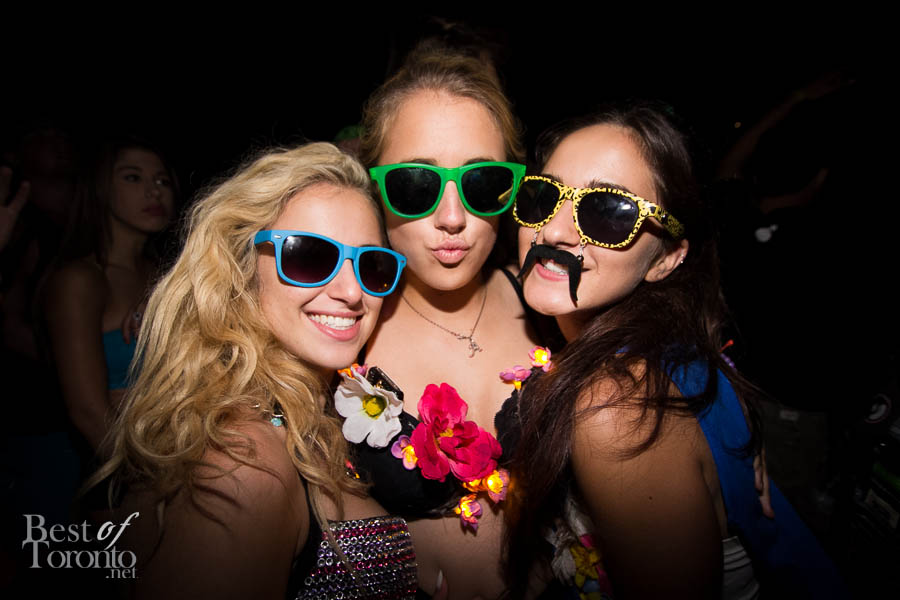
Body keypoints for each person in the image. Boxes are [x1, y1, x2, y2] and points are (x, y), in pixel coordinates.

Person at [502, 103, 845, 599]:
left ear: (665, 260)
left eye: (608, 213)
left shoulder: (616, 406)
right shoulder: (673, 341)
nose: (554, 231)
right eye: (543, 196)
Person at [87, 143, 419, 599]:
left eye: (372, 264)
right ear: (241, 271)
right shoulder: (241, 468)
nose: (351, 291)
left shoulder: (306, 419)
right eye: (309, 256)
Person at [355, 46, 543, 599]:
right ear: (375, 187)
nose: (454, 218)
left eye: (483, 183)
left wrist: (723, 430)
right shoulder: (343, 320)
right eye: (416, 184)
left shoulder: (549, 304)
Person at [42, 137, 177, 456]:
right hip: (126, 466)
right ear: (100, 189)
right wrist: (149, 476)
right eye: (133, 177)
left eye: (162, 180)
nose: (154, 191)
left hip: (183, 448)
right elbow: (89, 414)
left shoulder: (169, 274)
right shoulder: (80, 280)